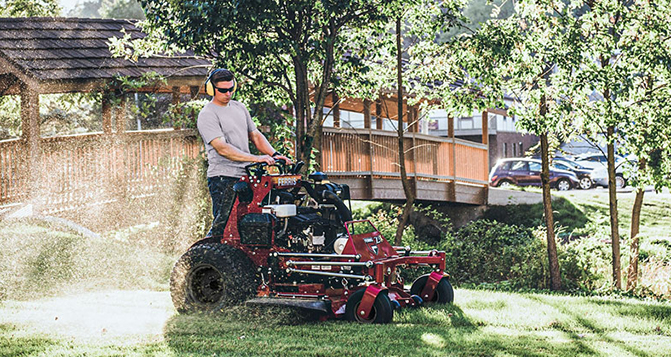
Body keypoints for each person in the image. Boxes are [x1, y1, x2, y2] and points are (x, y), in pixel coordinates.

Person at [197, 68, 292, 237]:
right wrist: (257, 158)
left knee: (248, 224)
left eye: (231, 89)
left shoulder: (239, 107)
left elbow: (255, 135)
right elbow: (222, 148)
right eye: (223, 90)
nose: (228, 93)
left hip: (246, 176)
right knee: (223, 225)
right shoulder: (208, 114)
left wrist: (274, 155)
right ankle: (204, 257)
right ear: (211, 89)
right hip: (223, 178)